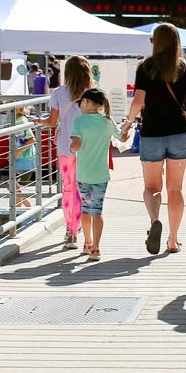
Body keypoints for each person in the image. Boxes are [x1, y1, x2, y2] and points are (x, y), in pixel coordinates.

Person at [122, 23, 186, 255]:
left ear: (155, 42)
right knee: (175, 189)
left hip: (152, 133)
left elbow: (138, 101)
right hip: (178, 133)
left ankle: (155, 220)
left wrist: (128, 122)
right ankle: (173, 240)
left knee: (151, 186)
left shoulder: (145, 67)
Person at [38, 55, 94, 250]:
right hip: (87, 146)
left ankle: (71, 231)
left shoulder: (58, 93)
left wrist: (39, 121)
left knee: (68, 188)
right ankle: (80, 227)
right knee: (83, 189)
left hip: (64, 146)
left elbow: (52, 121)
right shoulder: (93, 93)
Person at [70, 88, 123, 262]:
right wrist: (128, 127)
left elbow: (76, 144)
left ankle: (87, 242)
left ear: (86, 103)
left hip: (83, 173)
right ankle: (96, 248)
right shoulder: (107, 121)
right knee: (97, 210)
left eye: (82, 102)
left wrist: (72, 148)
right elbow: (122, 138)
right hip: (101, 173)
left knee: (85, 209)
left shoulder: (78, 122)